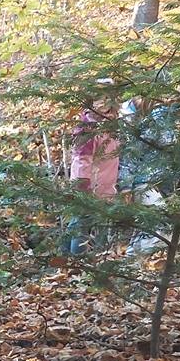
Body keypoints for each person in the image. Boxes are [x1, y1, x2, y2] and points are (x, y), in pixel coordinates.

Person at [64, 97, 122, 255]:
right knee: (81, 223)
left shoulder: (112, 125)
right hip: (90, 185)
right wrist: (83, 184)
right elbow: (82, 160)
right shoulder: (87, 128)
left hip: (106, 184)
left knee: (86, 222)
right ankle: (76, 259)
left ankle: (69, 256)